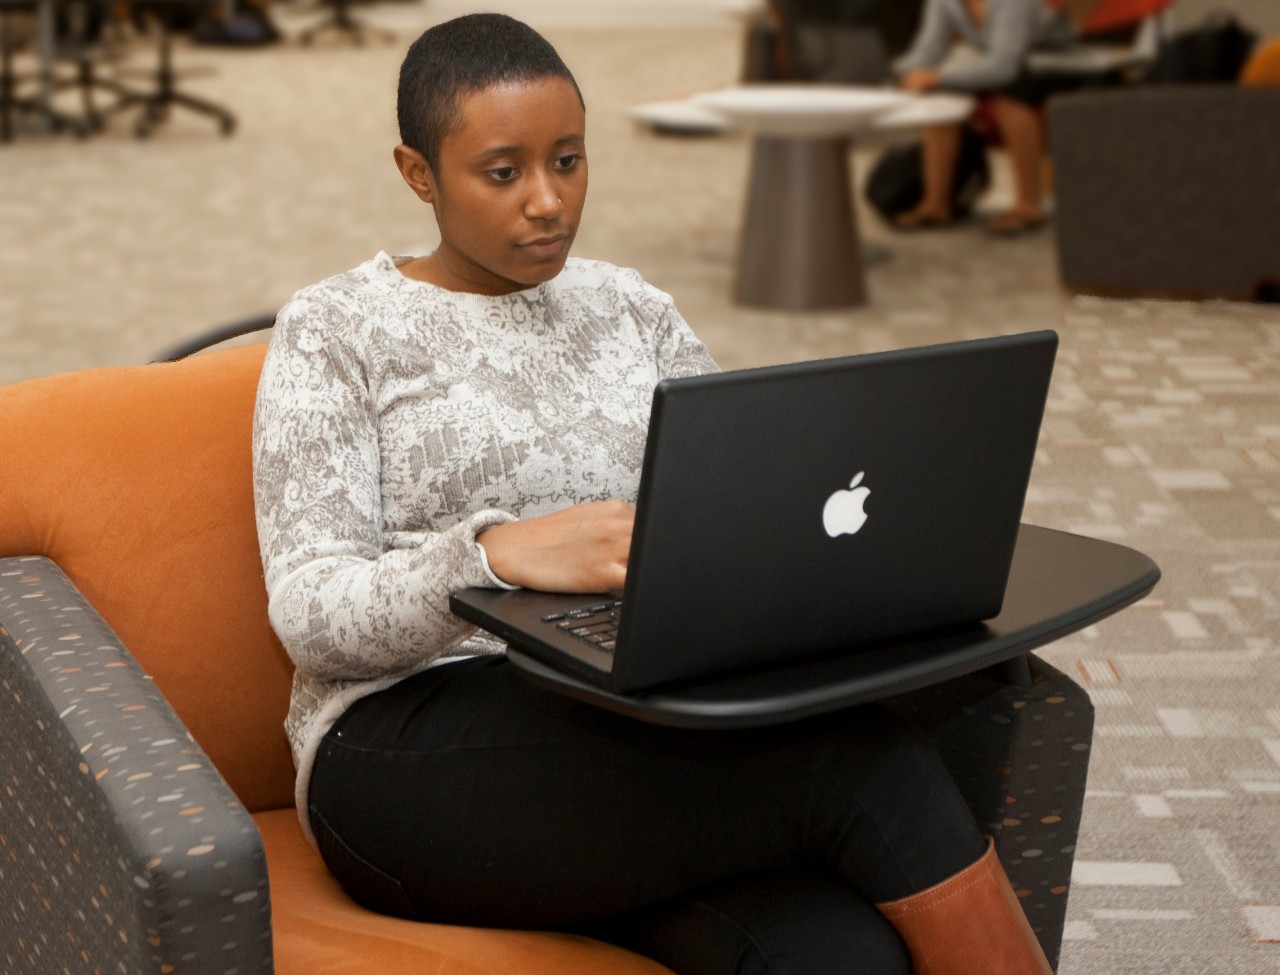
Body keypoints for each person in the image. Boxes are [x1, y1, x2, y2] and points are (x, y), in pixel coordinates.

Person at [252, 13, 1056, 974]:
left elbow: (742, 493)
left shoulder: (629, 307)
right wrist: (490, 555)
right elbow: (310, 614)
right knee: (860, 763)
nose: (548, 200)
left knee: (836, 955)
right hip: (402, 745)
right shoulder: (336, 328)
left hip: (626, 708)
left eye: (568, 160)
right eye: (503, 173)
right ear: (418, 173)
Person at [890, 0, 1078, 235]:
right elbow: (927, 53)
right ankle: (935, 206)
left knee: (1010, 97)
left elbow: (1003, 68)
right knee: (943, 97)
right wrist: (901, 74)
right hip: (1010, 65)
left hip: (1055, 62)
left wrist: (939, 77)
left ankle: (1028, 206)